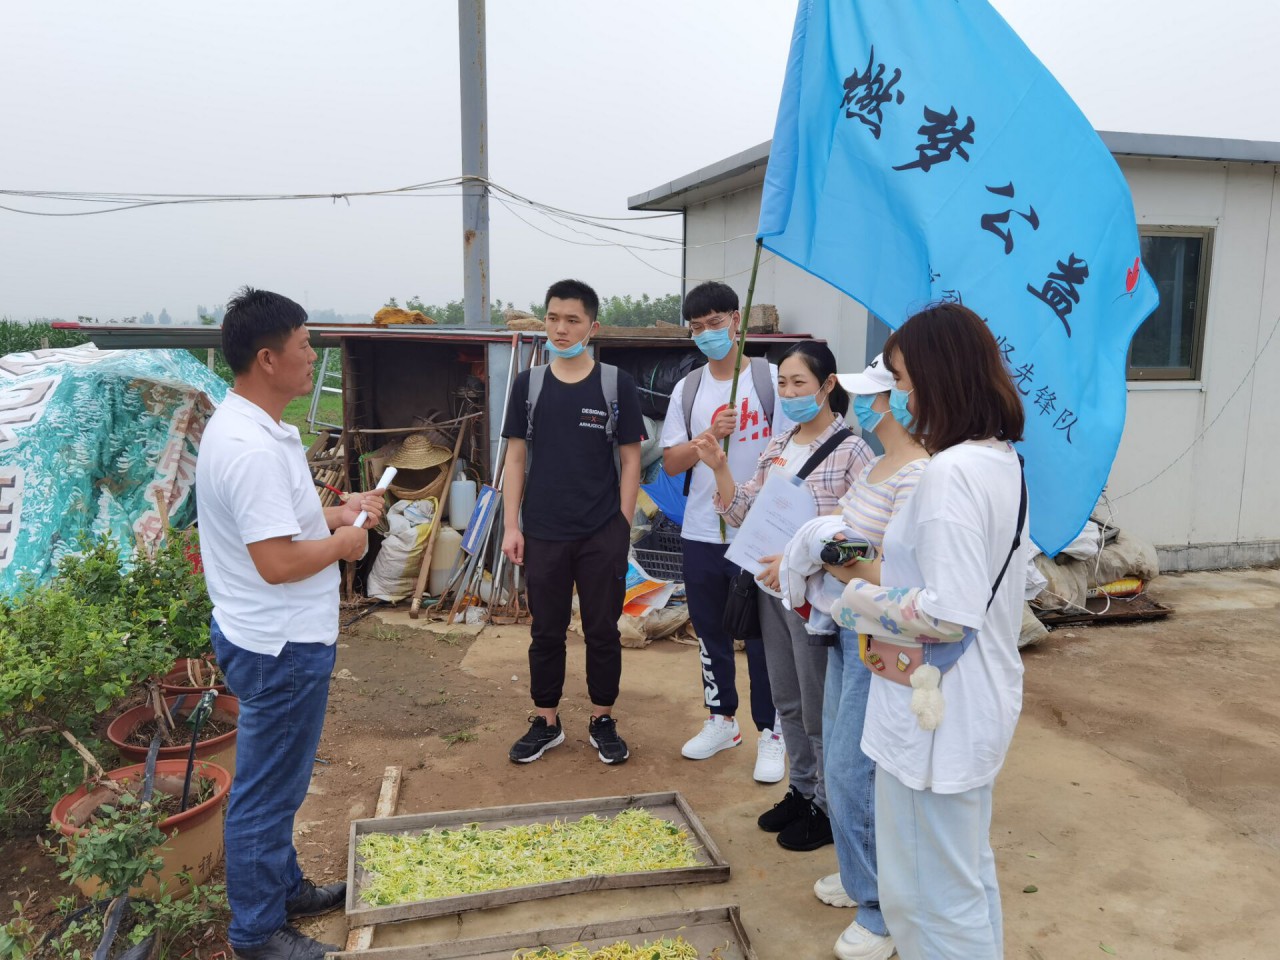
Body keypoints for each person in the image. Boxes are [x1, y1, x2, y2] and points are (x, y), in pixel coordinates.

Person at [832, 303, 1031, 960]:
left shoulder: (950, 474)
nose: (895, 395)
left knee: (926, 901)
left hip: (935, 718)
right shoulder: (997, 461)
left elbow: (948, 613)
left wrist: (856, 598)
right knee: (963, 881)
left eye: (899, 379)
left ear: (936, 378)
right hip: (970, 701)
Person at [196, 287, 385, 960]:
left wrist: (337, 512)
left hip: (270, 635)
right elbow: (276, 561)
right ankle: (256, 933)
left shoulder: (259, 428)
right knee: (267, 793)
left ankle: (283, 889)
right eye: (304, 346)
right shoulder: (248, 447)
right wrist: (345, 543)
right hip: (279, 645)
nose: (313, 357)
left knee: (280, 782)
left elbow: (281, 523)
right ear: (268, 359)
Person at [692, 342, 871, 852]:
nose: (790, 393)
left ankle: (827, 806)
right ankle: (801, 789)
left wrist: (798, 558)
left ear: (828, 386)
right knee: (786, 698)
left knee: (817, 704)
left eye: (800, 384)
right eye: (785, 384)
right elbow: (742, 511)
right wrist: (719, 468)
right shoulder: (779, 443)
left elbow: (858, 537)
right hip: (771, 591)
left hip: (816, 602)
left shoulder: (853, 452)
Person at [813, 354, 929, 960]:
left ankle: (877, 909)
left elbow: (898, 570)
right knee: (837, 749)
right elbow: (850, 536)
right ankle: (857, 871)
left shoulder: (918, 474)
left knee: (852, 768)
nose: (862, 405)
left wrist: (834, 556)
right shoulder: (879, 463)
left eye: (873, 395)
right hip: (846, 625)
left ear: (899, 400)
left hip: (879, 636)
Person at [501, 279, 645, 766]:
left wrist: (621, 524)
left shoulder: (614, 384)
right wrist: (512, 526)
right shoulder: (529, 385)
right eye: (552, 318)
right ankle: (546, 721)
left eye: (572, 320)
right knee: (546, 630)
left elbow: (631, 460)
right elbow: (515, 459)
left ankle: (603, 719)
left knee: (603, 630)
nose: (560, 329)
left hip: (601, 530)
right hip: (543, 531)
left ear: (592, 327)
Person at [660, 280, 793, 783]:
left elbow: (792, 451)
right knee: (710, 631)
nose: (707, 334)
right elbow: (671, 462)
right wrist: (709, 437)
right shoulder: (688, 389)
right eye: (697, 327)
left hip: (758, 536)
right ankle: (722, 720)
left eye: (715, 323)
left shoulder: (769, 380)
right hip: (700, 531)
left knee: (762, 638)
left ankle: (772, 731)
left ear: (736, 320)